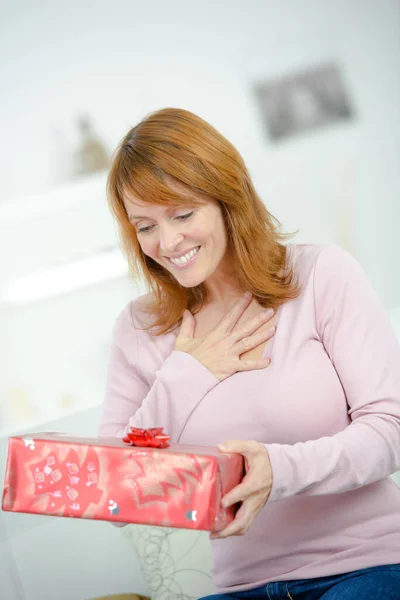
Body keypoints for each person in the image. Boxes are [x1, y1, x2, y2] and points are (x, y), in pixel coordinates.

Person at [98, 107, 400, 599]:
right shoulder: (138, 329)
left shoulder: (321, 276)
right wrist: (188, 373)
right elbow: (112, 494)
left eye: (182, 213)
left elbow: (391, 429)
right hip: (243, 587)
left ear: (226, 199)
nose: (167, 241)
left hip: (370, 566)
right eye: (145, 225)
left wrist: (278, 471)